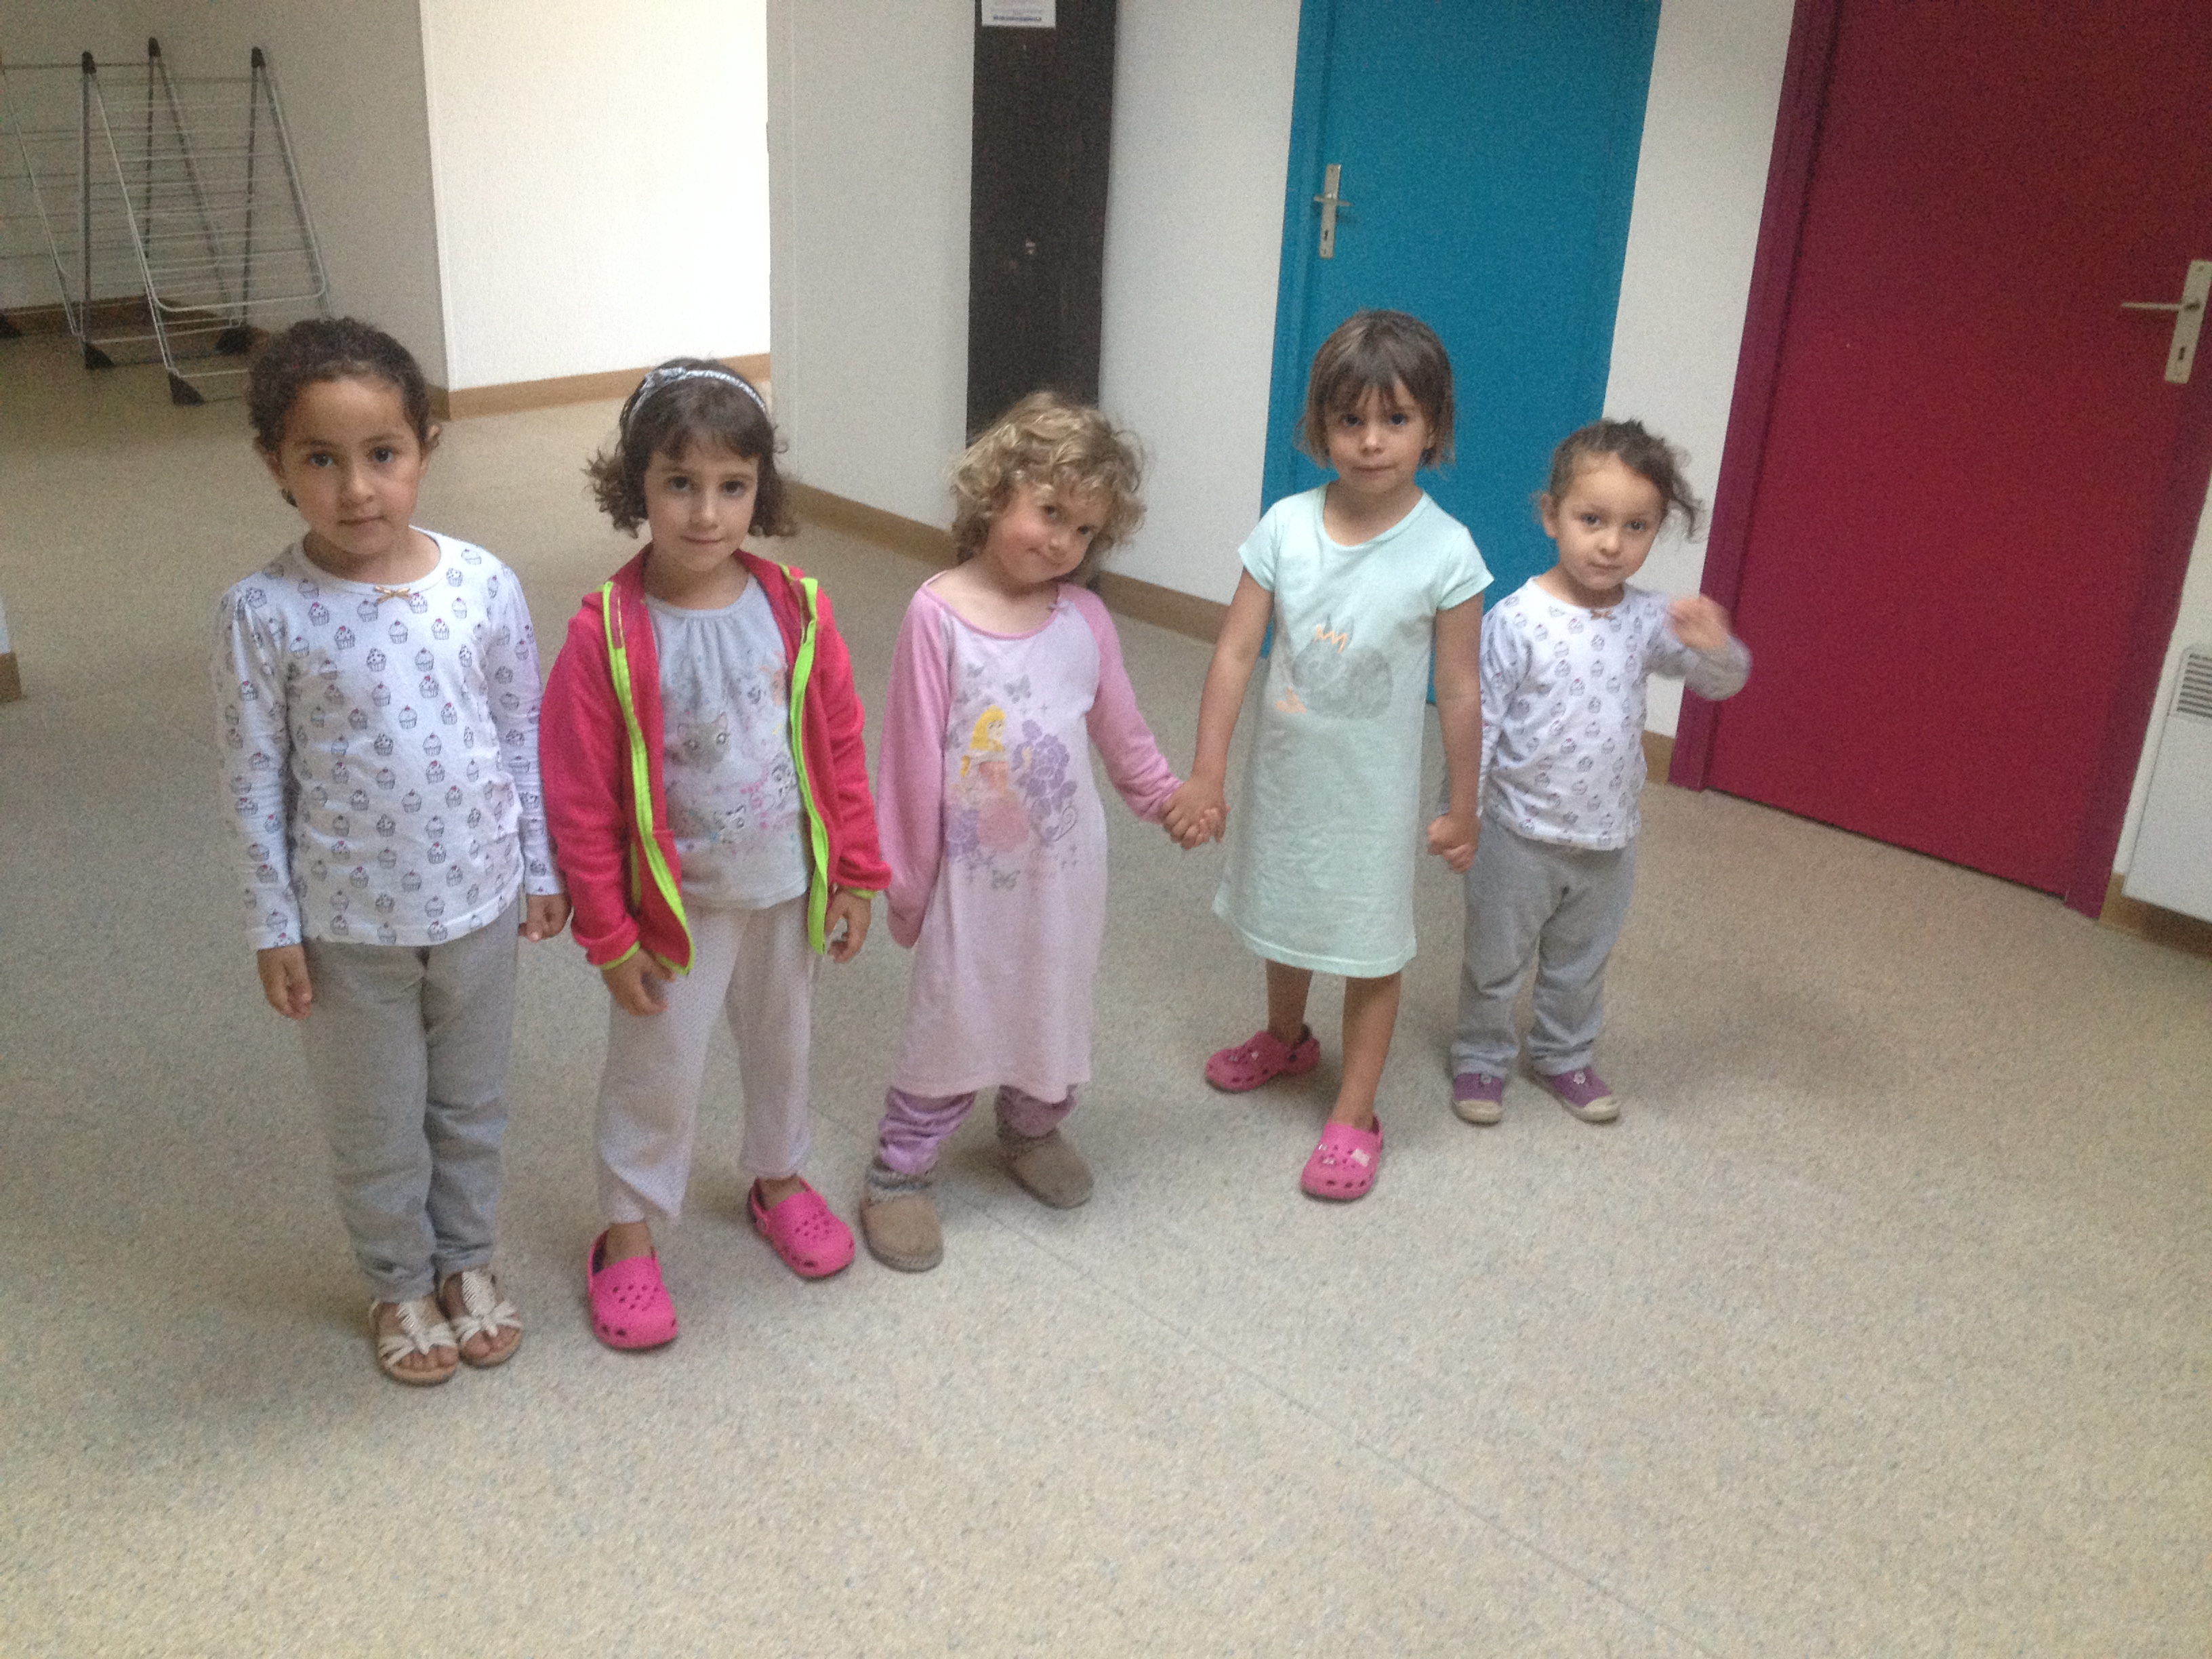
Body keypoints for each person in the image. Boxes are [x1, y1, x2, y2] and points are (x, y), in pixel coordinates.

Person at [216, 317, 569, 1385]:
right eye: (321, 460)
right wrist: (273, 925)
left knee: (470, 1107)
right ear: (275, 465)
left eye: (383, 454)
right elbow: (253, 779)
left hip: (479, 905)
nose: (358, 488)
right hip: (348, 926)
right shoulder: (262, 612)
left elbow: (520, 731)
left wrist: (540, 865)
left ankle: (466, 1264)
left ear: (426, 448)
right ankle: (399, 1283)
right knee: (375, 1124)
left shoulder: (481, 584)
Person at [540, 359, 888, 1349]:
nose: (706, 513)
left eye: (733, 486)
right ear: (637, 486)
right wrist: (609, 935)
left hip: (785, 886)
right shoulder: (607, 635)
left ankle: (778, 1178)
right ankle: (625, 1232)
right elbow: (578, 798)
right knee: (657, 1072)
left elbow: (840, 742)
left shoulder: (798, 608)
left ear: (760, 489)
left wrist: (857, 872)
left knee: (785, 1048)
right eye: (679, 484)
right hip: (674, 911)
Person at [859, 392, 1197, 1271]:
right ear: (995, 492)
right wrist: (905, 883)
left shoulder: (1084, 619)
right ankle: (901, 1169)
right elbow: (909, 759)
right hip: (968, 880)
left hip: (1067, 874)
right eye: (1050, 512)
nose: (1062, 542)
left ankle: (1032, 1124)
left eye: (1084, 530)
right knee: (954, 1013)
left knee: (1053, 1000)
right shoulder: (938, 615)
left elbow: (1121, 730)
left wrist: (1165, 797)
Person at [1162, 310, 1489, 1201]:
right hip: (1287, 784)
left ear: (1433, 428)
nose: (1372, 441)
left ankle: (1355, 1112)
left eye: (1396, 419)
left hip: (1373, 801)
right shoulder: (1285, 527)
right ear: (1321, 426)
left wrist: (1464, 804)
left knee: (1371, 947)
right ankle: (1287, 1039)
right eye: (1351, 420)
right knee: (1287, 909)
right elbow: (1237, 651)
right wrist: (1207, 770)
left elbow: (1461, 690)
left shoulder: (1448, 551)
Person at [1450, 418, 1749, 1126]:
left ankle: (1564, 1055)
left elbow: (1720, 684)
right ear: (1551, 515)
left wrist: (1719, 647)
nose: (1613, 544)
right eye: (1593, 520)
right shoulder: (1516, 619)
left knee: (1580, 966)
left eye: (1636, 527)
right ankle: (1481, 1055)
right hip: (1516, 834)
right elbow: (1479, 722)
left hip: (1609, 839)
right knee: (1495, 960)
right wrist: (1460, 811)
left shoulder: (1648, 619)